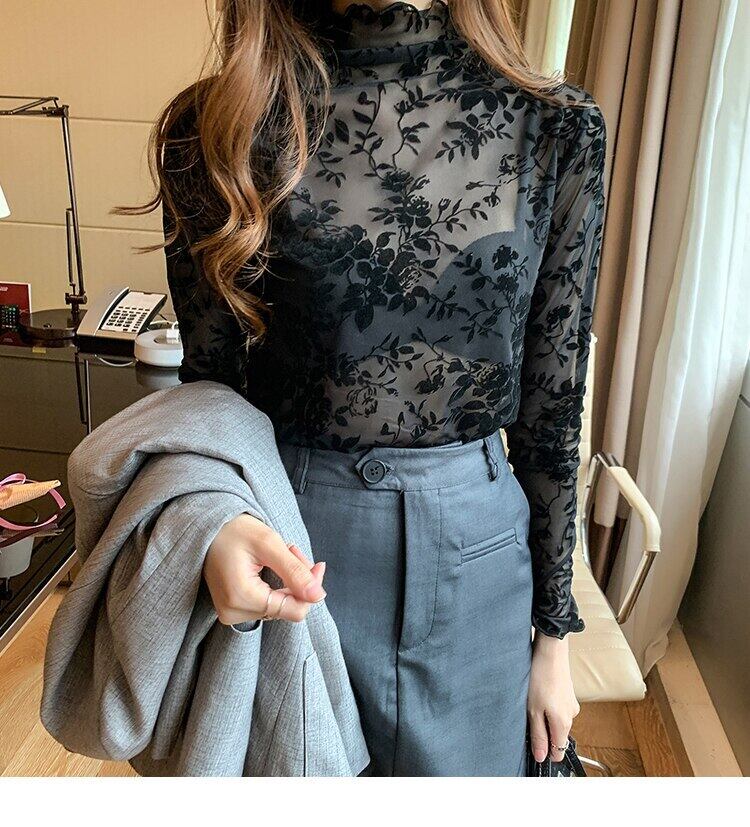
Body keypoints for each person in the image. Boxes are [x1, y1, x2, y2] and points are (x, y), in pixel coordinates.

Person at [136, 0, 606, 776]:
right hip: (287, 548)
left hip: (480, 567)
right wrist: (215, 528)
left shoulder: (555, 126)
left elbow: (552, 404)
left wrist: (552, 640)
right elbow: (210, 394)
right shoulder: (213, 128)